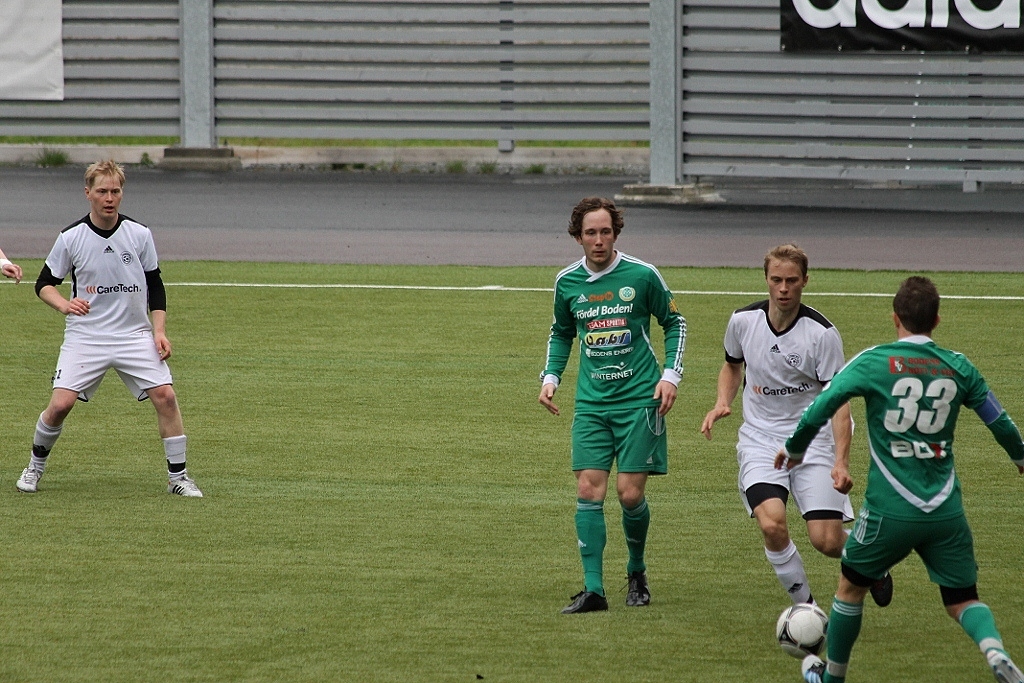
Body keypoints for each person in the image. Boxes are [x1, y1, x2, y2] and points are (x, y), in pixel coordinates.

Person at [776, 276, 1024, 683]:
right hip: (945, 511)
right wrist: (1020, 457)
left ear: (895, 318)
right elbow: (1000, 421)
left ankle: (832, 677)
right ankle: (994, 650)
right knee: (962, 599)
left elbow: (826, 401)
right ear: (937, 320)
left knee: (850, 589)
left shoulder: (874, 361)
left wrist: (797, 447)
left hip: (889, 510)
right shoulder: (959, 366)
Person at [700, 244, 892, 608]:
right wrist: (723, 401)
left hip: (813, 441)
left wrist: (841, 462)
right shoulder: (742, 322)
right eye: (776, 280)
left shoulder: (821, 334)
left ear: (805, 280)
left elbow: (839, 402)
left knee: (827, 541)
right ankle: (806, 609)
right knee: (771, 524)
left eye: (791, 280)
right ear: (766, 280)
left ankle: (874, 561)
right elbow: (732, 364)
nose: (784, 288)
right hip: (760, 441)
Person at [15, 160, 202, 498]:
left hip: (134, 335)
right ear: (88, 193)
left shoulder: (139, 234)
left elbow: (155, 285)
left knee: (166, 397)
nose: (109, 198)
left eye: (115, 191)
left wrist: (159, 331)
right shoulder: (71, 237)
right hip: (86, 336)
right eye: (102, 191)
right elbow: (44, 284)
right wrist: (64, 305)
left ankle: (179, 478)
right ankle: (34, 468)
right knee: (60, 406)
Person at [539, 196, 686, 614]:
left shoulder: (642, 275)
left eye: (606, 231)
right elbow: (561, 332)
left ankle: (636, 571)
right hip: (591, 403)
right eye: (591, 233)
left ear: (616, 233)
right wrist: (551, 378)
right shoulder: (567, 282)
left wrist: (670, 376)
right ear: (578, 237)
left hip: (640, 401)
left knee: (629, 495)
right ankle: (594, 590)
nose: (599, 240)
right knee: (588, 489)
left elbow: (674, 322)